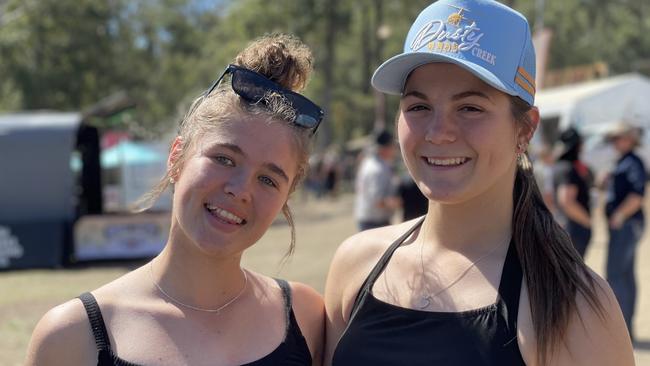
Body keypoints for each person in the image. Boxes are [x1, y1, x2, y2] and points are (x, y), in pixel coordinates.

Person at [324, 1, 634, 365]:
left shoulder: (572, 304)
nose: (438, 133)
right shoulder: (356, 263)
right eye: (418, 107)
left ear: (525, 129)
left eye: (470, 107)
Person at [26, 34, 324, 366]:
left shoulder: (306, 318)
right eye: (224, 159)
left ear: (286, 197)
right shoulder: (71, 337)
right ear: (176, 157)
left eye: (268, 179)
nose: (240, 190)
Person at [604, 120, 646, 341]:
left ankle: (620, 331)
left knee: (617, 276)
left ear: (629, 139)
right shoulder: (625, 161)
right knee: (624, 276)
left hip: (626, 225)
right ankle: (625, 329)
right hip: (626, 225)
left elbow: (637, 196)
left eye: (617, 138)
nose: (614, 143)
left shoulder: (633, 162)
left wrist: (619, 215)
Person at [553, 127, 593, 257]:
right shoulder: (568, 168)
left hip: (565, 227)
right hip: (574, 229)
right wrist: (587, 221)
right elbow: (566, 201)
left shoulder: (559, 166)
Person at [354, 130, 400, 231]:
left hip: (369, 220)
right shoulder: (377, 169)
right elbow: (378, 201)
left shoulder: (369, 162)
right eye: (392, 146)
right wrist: (400, 202)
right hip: (374, 223)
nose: (394, 149)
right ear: (385, 148)